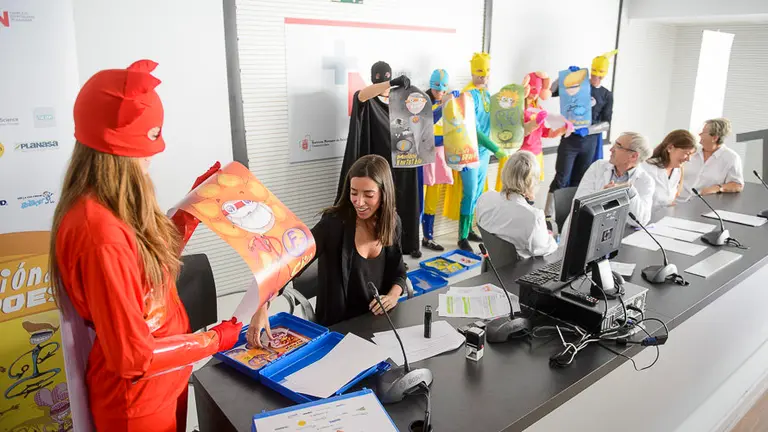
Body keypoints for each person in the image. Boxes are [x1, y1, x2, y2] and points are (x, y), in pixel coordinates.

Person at [50, 60, 250, 431]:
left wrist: (193, 209)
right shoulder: (99, 234)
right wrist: (213, 339)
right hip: (136, 404)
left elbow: (142, 270)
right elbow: (133, 357)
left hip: (162, 384)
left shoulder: (111, 203)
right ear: (120, 151)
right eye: (148, 146)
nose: (153, 157)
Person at [336, 61, 423, 258]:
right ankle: (378, 253)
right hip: (375, 171)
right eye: (382, 81)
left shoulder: (400, 104)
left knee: (399, 208)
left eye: (387, 81)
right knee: (376, 211)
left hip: (400, 166)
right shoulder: (367, 101)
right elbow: (361, 95)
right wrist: (390, 83)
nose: (386, 87)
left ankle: (399, 251)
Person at [310, 154, 407, 327]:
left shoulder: (392, 222)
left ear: (384, 194)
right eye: (353, 193)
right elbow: (293, 261)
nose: (359, 202)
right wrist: (263, 305)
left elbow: (398, 273)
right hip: (339, 326)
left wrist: (392, 296)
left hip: (376, 320)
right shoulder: (332, 224)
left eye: (368, 194)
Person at [443, 52, 506, 253]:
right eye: (480, 71)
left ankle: (469, 229)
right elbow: (471, 129)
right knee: (469, 193)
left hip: (484, 153)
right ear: (472, 72)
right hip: (469, 152)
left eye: (487, 71)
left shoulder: (487, 94)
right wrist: (497, 149)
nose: (484, 76)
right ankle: (462, 236)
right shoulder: (467, 95)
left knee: (477, 193)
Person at [546, 51, 617, 220]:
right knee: (561, 178)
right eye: (594, 73)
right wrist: (565, 78)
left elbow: (607, 122)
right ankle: (548, 216)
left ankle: (570, 217)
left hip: (589, 143)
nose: (595, 77)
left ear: (605, 74)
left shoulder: (606, 95)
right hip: (570, 140)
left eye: (600, 74)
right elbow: (552, 91)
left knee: (580, 180)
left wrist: (589, 129)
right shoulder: (578, 84)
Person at [477, 150, 557, 259]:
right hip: (519, 271)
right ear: (531, 182)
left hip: (492, 265)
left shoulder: (484, 198)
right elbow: (544, 249)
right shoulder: (533, 217)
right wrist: (550, 238)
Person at [573, 131, 655, 227]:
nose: (611, 149)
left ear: (633, 156)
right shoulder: (598, 167)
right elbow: (578, 205)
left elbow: (641, 221)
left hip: (618, 233)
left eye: (618, 146)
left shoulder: (646, 181)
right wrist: (603, 196)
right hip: (586, 227)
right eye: (614, 144)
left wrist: (629, 191)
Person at [420, 69, 456, 251]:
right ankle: (412, 241)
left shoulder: (447, 104)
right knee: (419, 200)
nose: (440, 93)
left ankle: (428, 237)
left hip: (440, 160)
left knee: (432, 201)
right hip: (424, 159)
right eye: (437, 89)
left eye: (443, 90)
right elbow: (426, 125)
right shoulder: (422, 103)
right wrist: (443, 106)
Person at [680, 118, 744, 198]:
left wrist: (718, 188)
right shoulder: (691, 151)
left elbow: (737, 185)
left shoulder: (731, 158)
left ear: (714, 138)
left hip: (701, 204)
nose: (700, 134)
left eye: (703, 132)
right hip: (677, 201)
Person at [643, 129, 697, 210]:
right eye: (686, 153)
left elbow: (669, 199)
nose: (689, 159)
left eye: (691, 155)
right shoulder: (647, 168)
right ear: (670, 148)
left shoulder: (677, 170)